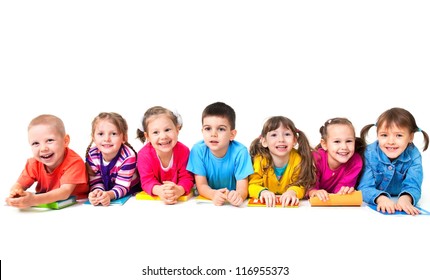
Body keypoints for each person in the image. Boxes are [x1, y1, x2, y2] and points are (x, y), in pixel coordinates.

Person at [6, 114, 88, 208]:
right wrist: (15, 193)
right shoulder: (34, 163)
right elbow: (19, 184)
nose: (43, 149)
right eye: (36, 143)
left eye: (49, 140)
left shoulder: (74, 162)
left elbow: (64, 192)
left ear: (65, 141)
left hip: (78, 205)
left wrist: (34, 200)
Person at [357, 107, 429, 215]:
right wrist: (380, 198)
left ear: (410, 137)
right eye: (384, 135)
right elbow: (364, 187)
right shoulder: (369, 153)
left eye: (399, 135)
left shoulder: (414, 155)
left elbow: (413, 185)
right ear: (377, 135)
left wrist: (406, 198)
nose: (391, 141)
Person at [186, 101, 254, 206]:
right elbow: (201, 185)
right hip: (208, 202)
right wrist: (213, 194)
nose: (213, 134)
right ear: (202, 131)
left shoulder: (240, 152)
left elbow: (242, 187)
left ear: (232, 134)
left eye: (221, 129)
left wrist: (238, 195)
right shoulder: (197, 150)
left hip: (231, 204)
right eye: (208, 129)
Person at [248, 116, 315, 207]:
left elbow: (301, 185)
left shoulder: (298, 159)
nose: (281, 140)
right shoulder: (260, 159)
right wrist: (262, 192)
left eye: (287, 134)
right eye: (274, 135)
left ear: (295, 140)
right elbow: (252, 185)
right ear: (264, 141)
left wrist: (292, 192)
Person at [136, 106, 194, 205]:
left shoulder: (184, 151)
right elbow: (146, 181)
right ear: (147, 136)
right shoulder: (143, 155)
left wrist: (179, 190)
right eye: (155, 132)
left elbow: (187, 178)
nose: (163, 136)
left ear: (177, 129)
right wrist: (160, 190)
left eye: (167, 130)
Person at [85, 112, 140, 206]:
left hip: (132, 195)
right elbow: (96, 181)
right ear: (93, 137)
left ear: (124, 138)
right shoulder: (93, 155)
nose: (107, 139)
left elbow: (122, 186)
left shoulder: (128, 156)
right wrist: (97, 193)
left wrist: (109, 195)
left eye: (113, 134)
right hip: (109, 192)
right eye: (101, 134)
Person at [307, 118, 365, 202]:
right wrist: (313, 191)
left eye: (349, 141)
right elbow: (308, 186)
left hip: (334, 203)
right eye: (337, 141)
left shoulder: (355, 161)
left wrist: (345, 191)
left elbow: (340, 192)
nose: (344, 147)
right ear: (324, 144)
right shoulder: (316, 158)